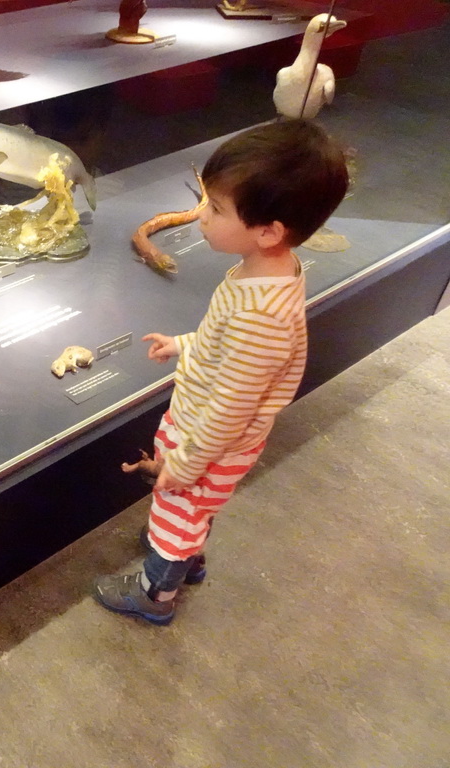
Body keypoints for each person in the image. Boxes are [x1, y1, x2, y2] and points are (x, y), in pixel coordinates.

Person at [93, 119, 349, 625]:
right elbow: (228, 354)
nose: (202, 219)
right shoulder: (268, 275)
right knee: (188, 512)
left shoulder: (261, 314)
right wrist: (184, 346)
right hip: (208, 429)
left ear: (269, 231)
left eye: (215, 209)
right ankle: (182, 552)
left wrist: (183, 466)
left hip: (211, 439)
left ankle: (155, 592)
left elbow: (233, 405)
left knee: (178, 510)